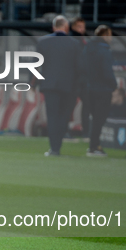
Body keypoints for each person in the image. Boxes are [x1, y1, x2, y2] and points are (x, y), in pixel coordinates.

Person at [36, 15, 81, 156]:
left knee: (53, 116)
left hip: (50, 86)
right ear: (66, 27)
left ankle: (54, 148)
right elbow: (80, 67)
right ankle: (58, 145)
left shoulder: (43, 42)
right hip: (69, 87)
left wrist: (33, 83)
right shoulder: (75, 43)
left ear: (54, 27)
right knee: (64, 117)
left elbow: (35, 65)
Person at [81, 25, 118, 157]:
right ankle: (94, 146)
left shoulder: (87, 48)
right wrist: (114, 86)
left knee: (94, 119)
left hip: (90, 88)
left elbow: (83, 68)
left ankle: (93, 145)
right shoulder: (105, 51)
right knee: (99, 120)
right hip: (103, 90)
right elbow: (107, 72)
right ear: (105, 35)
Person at [69, 17, 89, 140]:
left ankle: (86, 131)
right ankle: (65, 130)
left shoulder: (84, 42)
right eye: (79, 27)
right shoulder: (71, 41)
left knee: (87, 105)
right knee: (68, 106)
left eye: (83, 26)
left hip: (83, 80)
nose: (82, 29)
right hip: (73, 80)